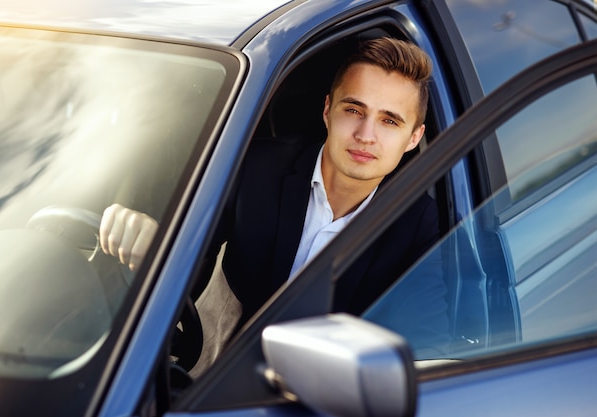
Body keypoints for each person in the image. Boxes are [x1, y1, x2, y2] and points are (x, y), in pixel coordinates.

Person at [100, 37, 448, 349]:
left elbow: (424, 345)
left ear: (414, 138)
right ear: (328, 111)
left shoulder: (419, 224)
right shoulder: (257, 166)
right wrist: (151, 235)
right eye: (354, 110)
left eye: (389, 121)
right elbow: (186, 240)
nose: (366, 135)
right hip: (209, 374)